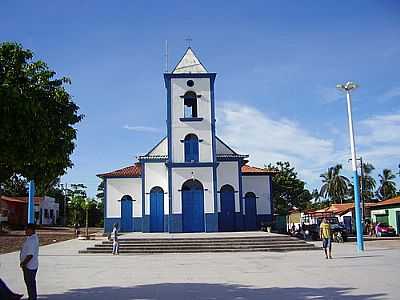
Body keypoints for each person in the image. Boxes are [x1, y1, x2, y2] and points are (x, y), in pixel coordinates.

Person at [20, 223, 39, 300]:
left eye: (26, 229)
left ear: (31, 230)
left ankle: (32, 297)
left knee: (30, 283)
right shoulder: (31, 237)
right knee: (30, 283)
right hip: (31, 265)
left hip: (29, 266)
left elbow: (30, 255)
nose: (25, 231)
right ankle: (32, 297)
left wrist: (23, 263)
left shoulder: (32, 240)